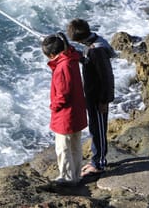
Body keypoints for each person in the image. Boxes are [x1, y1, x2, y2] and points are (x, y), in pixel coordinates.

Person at [66, 19, 115, 177]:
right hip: (93, 94)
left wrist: (104, 100)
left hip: (98, 97)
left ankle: (99, 163)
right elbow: (89, 61)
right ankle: (96, 159)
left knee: (98, 130)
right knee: (95, 128)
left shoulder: (97, 50)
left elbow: (107, 77)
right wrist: (73, 53)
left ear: (80, 39)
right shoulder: (93, 43)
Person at [42, 32, 87, 186]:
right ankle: (76, 175)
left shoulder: (62, 67)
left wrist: (53, 106)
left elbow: (63, 95)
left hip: (66, 116)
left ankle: (67, 178)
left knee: (63, 148)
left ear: (53, 54)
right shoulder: (71, 58)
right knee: (75, 145)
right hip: (77, 112)